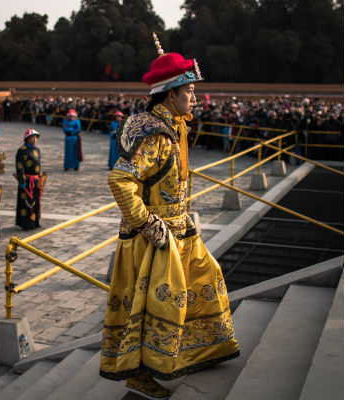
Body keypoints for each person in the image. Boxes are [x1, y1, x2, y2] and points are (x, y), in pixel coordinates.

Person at [99, 35, 239, 399]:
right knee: (157, 305)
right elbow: (120, 179)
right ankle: (140, 374)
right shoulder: (157, 136)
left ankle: (202, 349)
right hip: (155, 237)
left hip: (179, 227)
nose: (194, 98)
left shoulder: (173, 126)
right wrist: (147, 224)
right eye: (189, 91)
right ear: (171, 94)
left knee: (207, 279)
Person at [15, 129, 42, 230]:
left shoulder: (37, 150)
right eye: (32, 137)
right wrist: (22, 180)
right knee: (26, 202)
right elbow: (19, 167)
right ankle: (26, 223)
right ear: (27, 139)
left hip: (35, 180)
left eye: (35, 137)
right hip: (27, 180)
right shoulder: (22, 150)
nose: (34, 139)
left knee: (35, 200)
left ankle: (34, 221)